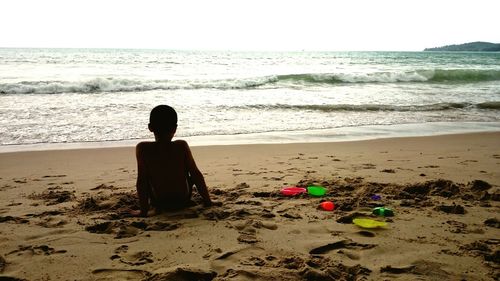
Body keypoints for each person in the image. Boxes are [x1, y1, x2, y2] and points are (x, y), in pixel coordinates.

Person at [131, 105, 212, 217]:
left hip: (159, 202)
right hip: (183, 200)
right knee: (192, 172)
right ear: (175, 128)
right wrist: (208, 202)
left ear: (150, 127)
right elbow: (196, 175)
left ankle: (149, 209)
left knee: (146, 177)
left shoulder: (143, 148)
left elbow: (142, 181)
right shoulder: (181, 146)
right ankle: (207, 201)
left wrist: (143, 211)